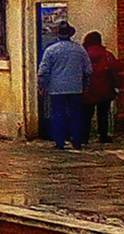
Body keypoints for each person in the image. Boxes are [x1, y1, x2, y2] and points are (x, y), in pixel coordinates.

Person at [37, 21, 91, 151]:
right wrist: (85, 84)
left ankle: (59, 141)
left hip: (56, 89)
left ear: (57, 34)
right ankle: (77, 141)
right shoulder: (79, 49)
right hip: (75, 88)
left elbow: (43, 71)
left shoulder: (51, 50)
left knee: (58, 115)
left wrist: (42, 86)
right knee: (76, 115)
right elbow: (88, 70)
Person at [80, 31, 123, 145]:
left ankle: (85, 137)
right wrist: (117, 86)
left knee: (86, 115)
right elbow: (115, 72)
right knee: (103, 114)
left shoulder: (83, 55)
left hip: (87, 90)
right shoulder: (108, 55)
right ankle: (103, 136)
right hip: (105, 90)